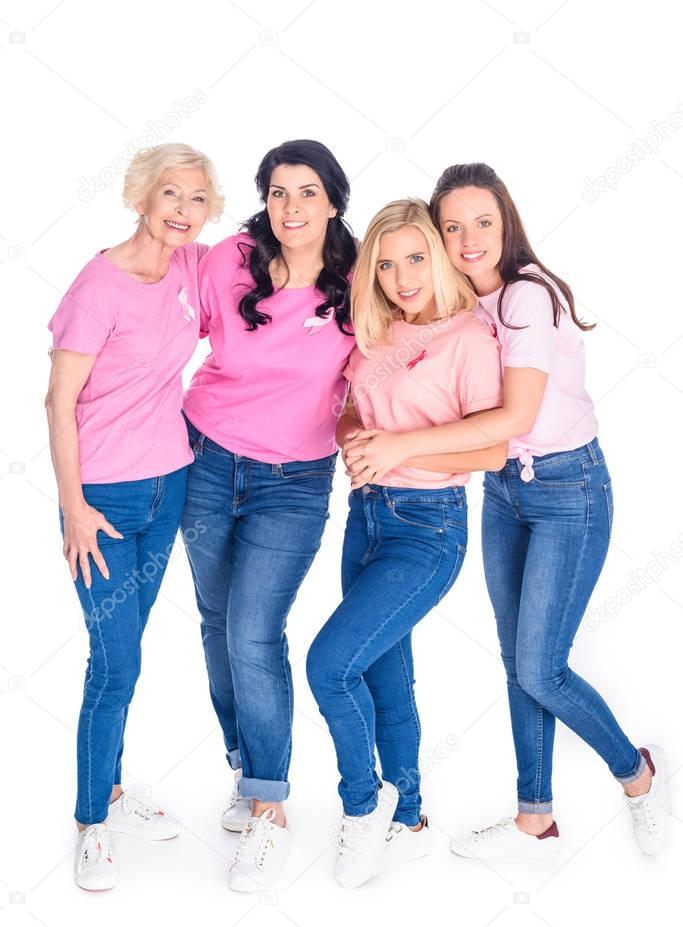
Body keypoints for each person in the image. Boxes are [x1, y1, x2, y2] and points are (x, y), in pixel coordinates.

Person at [347, 163, 670, 859]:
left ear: (506, 224)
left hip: (566, 491)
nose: (468, 239)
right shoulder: (457, 303)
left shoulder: (526, 296)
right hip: (503, 493)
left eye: (482, 223)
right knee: (515, 658)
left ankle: (635, 772)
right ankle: (534, 815)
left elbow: (514, 414)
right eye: (452, 226)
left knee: (540, 667)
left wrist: (399, 442)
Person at [307, 199, 506, 888]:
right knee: (382, 673)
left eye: (414, 258)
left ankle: (362, 806)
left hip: (427, 527)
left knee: (328, 666)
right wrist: (355, 443)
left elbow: (494, 448)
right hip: (365, 516)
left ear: (438, 256)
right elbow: (352, 412)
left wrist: (397, 449)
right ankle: (410, 819)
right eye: (385, 264)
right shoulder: (379, 331)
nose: (401, 276)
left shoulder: (470, 338)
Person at [45, 143, 223, 890]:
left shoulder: (188, 265)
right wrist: (74, 507)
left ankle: (113, 789)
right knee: (115, 663)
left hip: (169, 486)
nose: (182, 211)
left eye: (196, 199)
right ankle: (91, 818)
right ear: (141, 198)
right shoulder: (97, 286)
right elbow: (57, 403)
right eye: (170, 196)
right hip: (106, 501)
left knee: (127, 649)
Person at [180, 139, 356, 892]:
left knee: (255, 629)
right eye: (278, 192)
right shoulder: (231, 258)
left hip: (295, 480)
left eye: (307, 192)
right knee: (216, 622)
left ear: (332, 201)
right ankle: (245, 767)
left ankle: (271, 807)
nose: (291, 207)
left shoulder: (358, 277)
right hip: (207, 459)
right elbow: (163, 328)